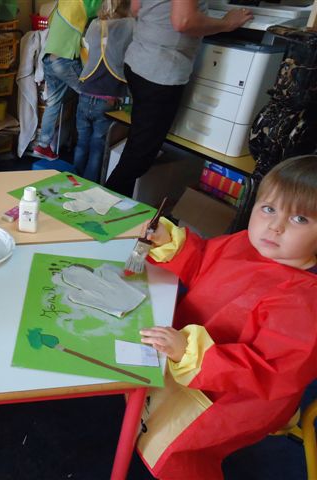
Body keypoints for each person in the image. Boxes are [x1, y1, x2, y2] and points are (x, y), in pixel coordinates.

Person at [138, 155, 317, 478]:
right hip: (188, 358)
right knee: (139, 400)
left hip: (237, 396)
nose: (275, 226)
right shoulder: (244, 244)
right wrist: (171, 244)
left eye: (299, 219)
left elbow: (268, 372)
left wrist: (192, 355)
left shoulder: (305, 302)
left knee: (175, 449)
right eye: (268, 209)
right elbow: (201, 262)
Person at [104, 0, 253, 196]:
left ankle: (111, 202)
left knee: (138, 145)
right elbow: (184, 21)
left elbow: (135, 8)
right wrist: (227, 23)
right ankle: (103, 205)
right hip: (160, 70)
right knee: (138, 157)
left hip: (139, 60)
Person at [32, 0, 103, 161]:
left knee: (53, 103)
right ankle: (86, 146)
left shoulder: (62, 3)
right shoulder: (85, 3)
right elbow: (105, 11)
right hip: (64, 60)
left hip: (49, 59)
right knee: (89, 93)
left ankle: (43, 146)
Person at [73, 0, 134, 182]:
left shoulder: (95, 25)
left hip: (85, 94)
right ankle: (88, 184)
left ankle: (73, 180)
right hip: (107, 99)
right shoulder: (129, 25)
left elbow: (89, 47)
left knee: (82, 142)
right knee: (97, 146)